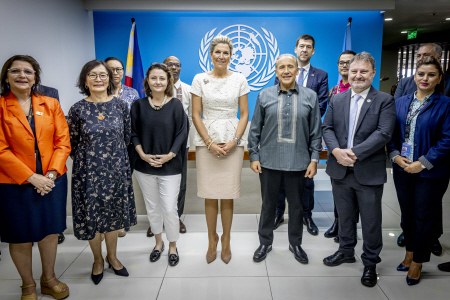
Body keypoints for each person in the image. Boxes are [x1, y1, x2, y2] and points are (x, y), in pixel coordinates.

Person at [322, 52, 396, 287]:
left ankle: (370, 262)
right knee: (344, 216)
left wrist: (353, 153)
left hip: (368, 173)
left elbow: (383, 133)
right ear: (348, 72)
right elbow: (327, 128)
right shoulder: (338, 99)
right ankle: (345, 251)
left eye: (364, 71)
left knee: (371, 221)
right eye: (354, 71)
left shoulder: (384, 100)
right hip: (340, 170)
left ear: (373, 73)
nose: (358, 75)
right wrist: (335, 151)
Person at [0, 55, 70, 299]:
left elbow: (63, 142)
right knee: (19, 235)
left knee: (49, 231)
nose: (22, 76)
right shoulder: (0, 106)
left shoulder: (50, 104)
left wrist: (49, 175)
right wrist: (32, 177)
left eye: (28, 72)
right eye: (15, 71)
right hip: (14, 182)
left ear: (35, 78)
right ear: (6, 76)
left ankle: (48, 279)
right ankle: (27, 284)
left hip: (52, 180)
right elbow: (1, 149)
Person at [249, 54, 322, 264]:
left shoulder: (310, 96)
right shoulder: (264, 95)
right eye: (282, 67)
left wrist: (314, 159)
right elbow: (254, 130)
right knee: (268, 205)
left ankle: (295, 243)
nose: (287, 71)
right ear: (276, 71)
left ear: (298, 70)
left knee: (297, 206)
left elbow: (315, 132)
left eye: (291, 67)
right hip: (269, 162)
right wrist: (254, 155)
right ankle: (265, 242)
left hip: (299, 163)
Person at [68, 59, 137, 285]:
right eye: (93, 75)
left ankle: (113, 257)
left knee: (114, 216)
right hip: (88, 173)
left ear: (110, 79)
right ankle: (98, 260)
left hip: (116, 170)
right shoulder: (77, 109)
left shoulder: (121, 106)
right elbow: (73, 143)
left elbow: (126, 138)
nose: (98, 79)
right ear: (85, 81)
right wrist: (92, 159)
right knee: (93, 217)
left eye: (103, 75)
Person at [387, 56, 450, 285]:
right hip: (403, 168)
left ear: (439, 78)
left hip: (431, 172)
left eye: (431, 75)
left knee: (424, 216)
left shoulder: (445, 104)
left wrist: (421, 163)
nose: (425, 79)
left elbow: (447, 140)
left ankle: (418, 261)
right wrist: (395, 156)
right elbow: (391, 135)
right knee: (408, 214)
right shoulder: (400, 102)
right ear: (414, 76)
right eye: (421, 74)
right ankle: (410, 252)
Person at [191, 35, 250, 264]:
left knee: (227, 193)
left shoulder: (240, 79)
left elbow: (244, 113)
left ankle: (226, 239)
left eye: (226, 53)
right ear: (211, 54)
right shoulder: (199, 79)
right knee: (209, 193)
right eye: (218, 52)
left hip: (232, 139)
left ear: (231, 55)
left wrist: (236, 140)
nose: (221, 56)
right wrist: (209, 142)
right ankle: (211, 238)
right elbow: (196, 114)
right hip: (206, 140)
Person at [131, 63, 188, 267]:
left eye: (162, 78)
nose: (158, 82)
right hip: (144, 166)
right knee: (152, 207)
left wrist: (169, 155)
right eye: (154, 78)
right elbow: (134, 133)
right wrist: (142, 155)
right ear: (147, 81)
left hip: (170, 167)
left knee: (170, 208)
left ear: (168, 82)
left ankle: (172, 245)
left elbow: (182, 133)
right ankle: (158, 243)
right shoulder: (138, 105)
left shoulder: (175, 105)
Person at [274, 34, 329, 235]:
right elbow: (278, 98)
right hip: (283, 132)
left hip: (306, 134)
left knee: (307, 179)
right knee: (280, 175)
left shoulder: (321, 75)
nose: (304, 50)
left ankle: (307, 215)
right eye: (301, 46)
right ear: (296, 49)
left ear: (313, 51)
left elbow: (321, 105)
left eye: (309, 47)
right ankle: (278, 213)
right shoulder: (284, 70)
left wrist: (302, 119)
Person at [146, 56, 190, 238]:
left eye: (177, 64)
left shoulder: (189, 90)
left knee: (180, 184)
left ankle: (176, 217)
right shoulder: (154, 90)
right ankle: (156, 222)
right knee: (153, 185)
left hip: (181, 145)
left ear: (180, 68)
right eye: (169, 64)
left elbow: (192, 118)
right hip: (156, 144)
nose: (173, 67)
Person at [105, 57, 140, 238]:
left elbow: (137, 120)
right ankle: (105, 222)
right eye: (112, 69)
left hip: (126, 147)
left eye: (119, 69)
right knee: (105, 187)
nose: (116, 73)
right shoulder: (98, 92)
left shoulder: (132, 93)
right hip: (103, 149)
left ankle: (120, 222)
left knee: (123, 186)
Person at [324, 50, 356, 243]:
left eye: (349, 62)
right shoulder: (334, 91)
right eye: (341, 63)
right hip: (336, 148)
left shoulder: (361, 88)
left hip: (354, 150)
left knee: (354, 193)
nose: (345, 66)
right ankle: (338, 222)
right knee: (338, 188)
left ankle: (348, 228)